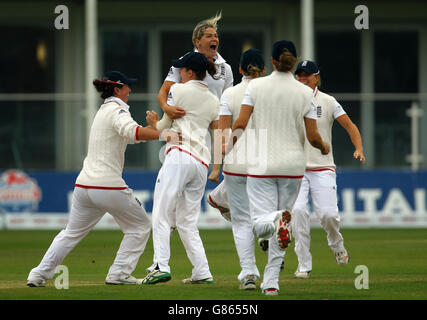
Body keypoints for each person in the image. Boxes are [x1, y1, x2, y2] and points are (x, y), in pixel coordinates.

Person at [27, 71, 162, 287]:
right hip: (107, 186)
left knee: (70, 233)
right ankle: (118, 273)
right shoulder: (118, 110)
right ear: (117, 89)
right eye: (127, 86)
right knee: (140, 225)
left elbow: (132, 136)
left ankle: (38, 274)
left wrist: (155, 129)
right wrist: (164, 134)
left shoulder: (104, 111)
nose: (130, 90)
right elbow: (133, 132)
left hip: (84, 186)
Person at [230, 41, 330, 296]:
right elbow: (313, 136)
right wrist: (324, 147)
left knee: (258, 222)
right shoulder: (305, 93)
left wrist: (226, 148)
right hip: (293, 167)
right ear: (293, 61)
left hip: (261, 164)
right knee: (284, 225)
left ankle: (276, 220)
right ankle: (271, 283)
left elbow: (240, 123)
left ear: (272, 62)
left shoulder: (255, 86)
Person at [140, 52, 220, 285]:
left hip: (179, 157)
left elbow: (165, 128)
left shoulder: (178, 90)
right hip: (201, 164)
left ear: (190, 72)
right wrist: (217, 166)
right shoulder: (214, 99)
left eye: (182, 70)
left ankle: (159, 265)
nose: (179, 73)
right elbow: (217, 134)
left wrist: (154, 122)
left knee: (162, 213)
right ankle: (202, 271)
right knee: (187, 221)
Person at [291, 60, 366, 279]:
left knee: (328, 215)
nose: (303, 79)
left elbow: (350, 126)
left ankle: (337, 246)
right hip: (295, 169)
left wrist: (359, 148)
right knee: (298, 213)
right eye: (299, 75)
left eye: (307, 75)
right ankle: (304, 265)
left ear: (316, 77)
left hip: (323, 167)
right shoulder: (290, 100)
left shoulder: (328, 101)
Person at [156, 12, 233, 220]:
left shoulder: (225, 69)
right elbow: (163, 91)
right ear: (197, 41)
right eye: (209, 35)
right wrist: (167, 108)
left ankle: (222, 199)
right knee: (178, 171)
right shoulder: (184, 62)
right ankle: (171, 218)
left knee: (237, 159)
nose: (214, 39)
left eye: (216, 35)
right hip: (189, 126)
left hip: (214, 124)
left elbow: (229, 101)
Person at [208, 49, 266, 290]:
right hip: (265, 164)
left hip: (236, 166)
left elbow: (222, 133)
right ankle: (272, 227)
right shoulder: (270, 92)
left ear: (240, 70)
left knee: (241, 221)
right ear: (264, 69)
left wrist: (216, 166)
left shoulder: (230, 94)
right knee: (264, 213)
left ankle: (249, 274)